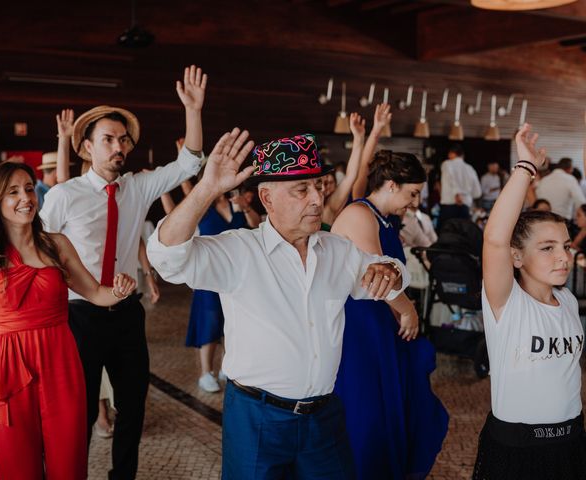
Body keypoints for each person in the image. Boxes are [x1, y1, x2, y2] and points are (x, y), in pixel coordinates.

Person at [148, 128, 410, 479]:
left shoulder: (337, 250)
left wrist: (390, 272)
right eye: (302, 190)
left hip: (324, 417)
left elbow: (387, 271)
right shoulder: (239, 250)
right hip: (258, 419)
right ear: (267, 198)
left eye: (319, 186)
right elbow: (166, 257)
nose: (317, 199)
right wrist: (207, 188)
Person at [0, 102, 136, 479]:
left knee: (68, 466)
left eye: (30, 189)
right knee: (20, 468)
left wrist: (120, 290)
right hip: (8, 367)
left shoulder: (56, 244)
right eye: (13, 191)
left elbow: (96, 294)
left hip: (61, 363)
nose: (26, 198)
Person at [40, 65, 207, 479]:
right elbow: (40, 252)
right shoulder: (64, 196)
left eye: (123, 139)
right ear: (86, 148)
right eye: (108, 139)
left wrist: (193, 109)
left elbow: (189, 164)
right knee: (77, 412)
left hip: (127, 316)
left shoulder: (138, 186)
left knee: (132, 405)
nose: (119, 147)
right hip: (79, 316)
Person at [474, 123, 586, 479]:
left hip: (570, 440)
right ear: (517, 258)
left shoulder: (567, 300)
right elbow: (494, 239)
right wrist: (525, 169)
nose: (563, 257)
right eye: (548, 248)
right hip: (516, 448)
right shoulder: (507, 303)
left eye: (566, 246)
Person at [331, 149, 448, 479]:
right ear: (392, 185)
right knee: (367, 406)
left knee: (392, 401)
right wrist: (409, 311)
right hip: (361, 323)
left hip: (381, 320)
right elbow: (378, 275)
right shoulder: (359, 214)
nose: (415, 202)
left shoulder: (385, 218)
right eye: (412, 193)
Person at [186, 184, 260, 393]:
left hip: (236, 274)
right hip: (208, 273)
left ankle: (226, 367)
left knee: (233, 320)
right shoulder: (202, 207)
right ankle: (206, 373)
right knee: (210, 321)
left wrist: (246, 207)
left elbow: (254, 225)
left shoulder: (236, 204)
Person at [320, 113, 365, 229]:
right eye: (321, 183)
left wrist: (359, 139)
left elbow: (351, 176)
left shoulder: (329, 208)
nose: (325, 188)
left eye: (329, 183)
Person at [438, 144, 481, 227]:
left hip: (449, 207)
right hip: (465, 208)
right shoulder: (470, 168)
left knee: (447, 235)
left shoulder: (447, 164)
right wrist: (466, 195)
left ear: (451, 153)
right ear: (462, 155)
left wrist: (457, 194)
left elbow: (451, 178)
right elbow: (477, 193)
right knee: (463, 236)